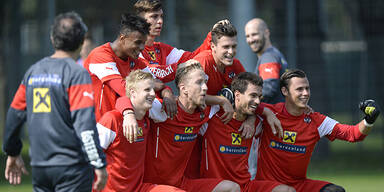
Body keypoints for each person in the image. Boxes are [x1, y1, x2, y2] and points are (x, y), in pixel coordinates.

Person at [3, 11, 108, 191]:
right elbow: (84, 124)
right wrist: (98, 163)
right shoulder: (77, 74)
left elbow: (14, 115)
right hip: (72, 168)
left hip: (40, 166)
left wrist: (12, 152)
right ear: (82, 41)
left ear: (53, 39)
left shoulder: (33, 72)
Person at [255, 69, 381, 192]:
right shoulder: (269, 112)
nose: (305, 93)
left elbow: (353, 134)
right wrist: (264, 112)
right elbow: (242, 103)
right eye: (299, 89)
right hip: (267, 186)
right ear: (284, 91)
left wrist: (369, 120)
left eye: (307, 88)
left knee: (335, 191)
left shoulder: (316, 121)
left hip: (298, 185)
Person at [144, 60, 240, 192]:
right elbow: (130, 98)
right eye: (199, 82)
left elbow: (246, 108)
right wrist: (128, 114)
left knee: (232, 188)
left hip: (181, 184)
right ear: (184, 89)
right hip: (153, 186)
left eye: (205, 82)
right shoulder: (163, 108)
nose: (205, 87)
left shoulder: (203, 112)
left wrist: (222, 100)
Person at [200, 72, 295, 192]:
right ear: (237, 95)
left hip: (246, 187)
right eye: (253, 95)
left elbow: (289, 111)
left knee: (287, 191)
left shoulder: (258, 120)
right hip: (216, 187)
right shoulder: (212, 116)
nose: (257, 101)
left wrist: (261, 115)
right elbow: (193, 100)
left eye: (259, 97)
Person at [96, 70, 184, 192]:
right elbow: (89, 154)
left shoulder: (147, 120)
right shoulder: (112, 119)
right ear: (132, 93)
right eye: (147, 90)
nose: (153, 94)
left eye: (153, 89)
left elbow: (177, 106)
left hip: (139, 188)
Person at [134, 0, 211, 68]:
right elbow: (152, 73)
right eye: (154, 17)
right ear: (140, 20)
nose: (160, 21)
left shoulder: (161, 49)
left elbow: (193, 58)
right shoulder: (133, 47)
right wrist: (180, 66)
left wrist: (212, 36)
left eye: (161, 16)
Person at [245, 18, 288, 104]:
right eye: (247, 36)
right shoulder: (275, 53)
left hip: (274, 114)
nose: (251, 40)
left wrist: (245, 101)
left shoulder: (269, 57)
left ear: (266, 33)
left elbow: (268, 90)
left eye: (254, 34)